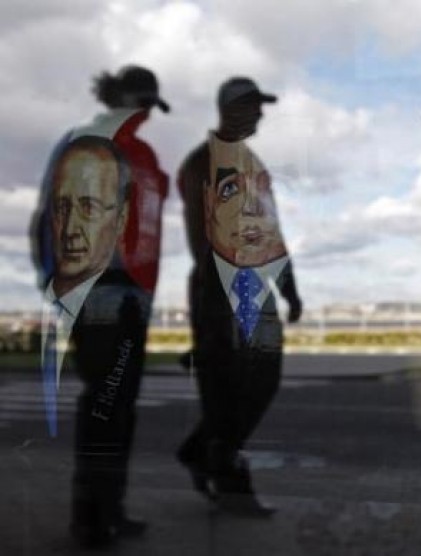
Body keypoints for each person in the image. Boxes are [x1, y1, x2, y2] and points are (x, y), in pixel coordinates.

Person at [29, 64, 169, 548]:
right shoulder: (86, 142)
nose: (147, 114)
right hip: (98, 297)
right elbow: (49, 216)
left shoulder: (145, 155)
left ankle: (110, 508)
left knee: (120, 409)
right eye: (143, 103)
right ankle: (89, 518)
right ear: (123, 99)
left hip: (134, 300)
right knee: (105, 408)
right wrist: (61, 287)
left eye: (150, 105)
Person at [177, 76, 302, 516]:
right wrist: (218, 302)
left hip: (256, 282)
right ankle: (230, 482)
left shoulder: (254, 165)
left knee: (263, 380)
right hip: (224, 282)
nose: (261, 114)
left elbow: (271, 229)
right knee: (227, 387)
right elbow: (200, 232)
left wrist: (289, 287)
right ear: (229, 109)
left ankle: (202, 449)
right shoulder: (203, 162)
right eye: (253, 106)